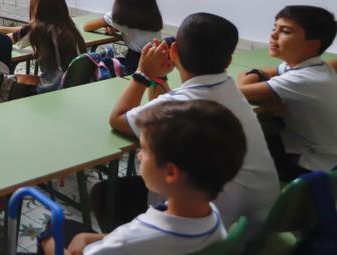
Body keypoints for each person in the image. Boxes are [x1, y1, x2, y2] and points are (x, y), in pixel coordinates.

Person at [108, 13, 279, 235]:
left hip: (209, 228)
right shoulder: (231, 91)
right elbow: (169, 112)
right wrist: (159, 79)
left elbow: (118, 118)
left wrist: (142, 74)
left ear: (174, 51)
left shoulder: (184, 101)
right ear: (228, 61)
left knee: (107, 195)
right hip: (256, 222)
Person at [44, 100, 246, 255]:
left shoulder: (128, 240)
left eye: (145, 150)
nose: (139, 155)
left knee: (51, 231)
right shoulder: (213, 216)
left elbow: (130, 241)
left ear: (170, 172)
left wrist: (48, 245)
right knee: (70, 229)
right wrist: (88, 237)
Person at [238, 5, 337, 182]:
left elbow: (239, 93)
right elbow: (264, 73)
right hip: (316, 151)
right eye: (274, 28)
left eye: (285, 31)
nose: (273, 35)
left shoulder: (305, 79)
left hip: (312, 166)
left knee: (240, 139)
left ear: (311, 45)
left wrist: (256, 79)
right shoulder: (310, 65)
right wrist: (259, 76)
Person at [0, 0, 85, 92]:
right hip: (75, 85)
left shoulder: (36, 29)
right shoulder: (69, 25)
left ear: (36, 5)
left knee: (12, 80)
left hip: (53, 89)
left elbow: (6, 41)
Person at [84, 0, 162, 73]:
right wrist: (115, 27)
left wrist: (112, 24)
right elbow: (135, 32)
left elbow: (87, 26)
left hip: (137, 65)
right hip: (157, 62)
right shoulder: (150, 11)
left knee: (99, 65)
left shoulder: (121, 14)